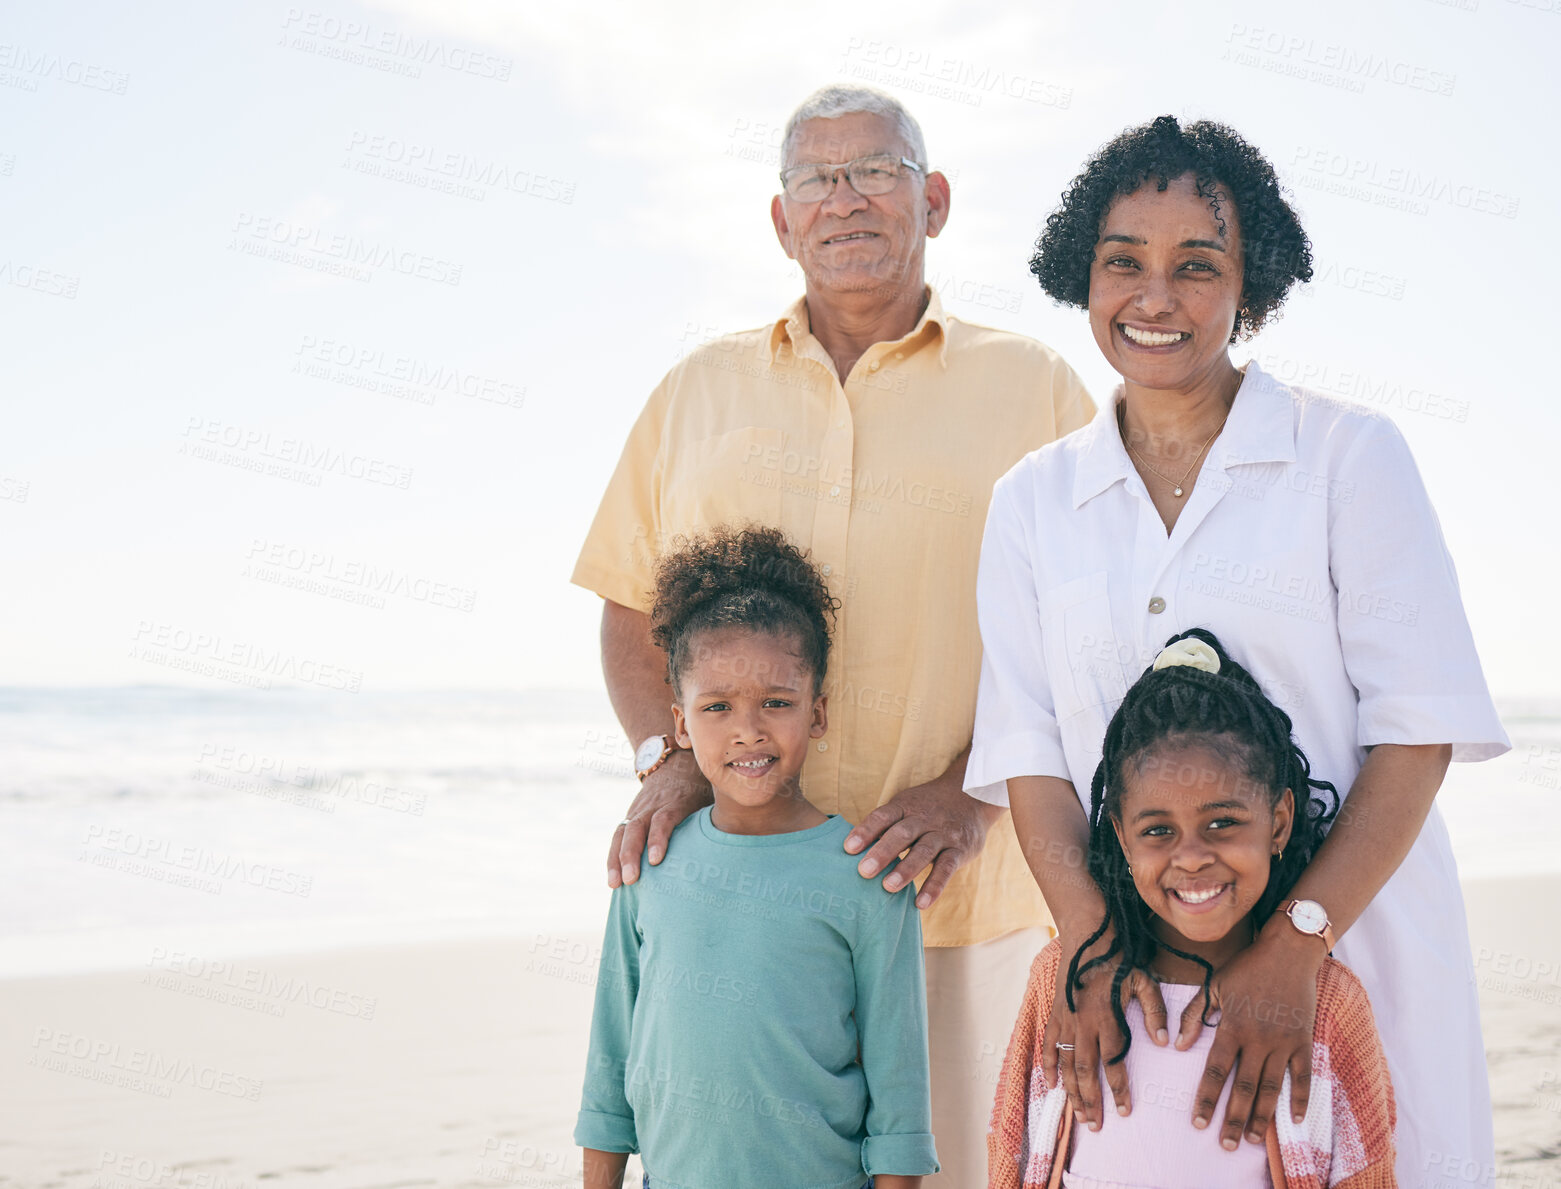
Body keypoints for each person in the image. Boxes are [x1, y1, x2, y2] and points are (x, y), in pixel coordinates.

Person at [964, 114, 1508, 1189]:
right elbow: (1031, 754)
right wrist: (1087, 943)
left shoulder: (1346, 455)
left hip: (1357, 951)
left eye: (1196, 266)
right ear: (1084, 274)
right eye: (1123, 262)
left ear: (1249, 288)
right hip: (1134, 990)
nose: (1153, 297)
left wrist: (1299, 942)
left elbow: (1417, 732)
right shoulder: (1030, 501)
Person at [571, 83, 1094, 1183]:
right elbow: (629, 604)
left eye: (876, 170)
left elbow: (1081, 629)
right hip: (745, 905)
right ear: (780, 218)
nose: (845, 199)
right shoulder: (694, 392)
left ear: (933, 199)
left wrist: (973, 789)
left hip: (966, 895)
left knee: (954, 1167)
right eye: (816, 177)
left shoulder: (1035, 386)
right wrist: (664, 760)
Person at [575, 525, 939, 1189]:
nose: (748, 728)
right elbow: (609, 1064)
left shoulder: (865, 874)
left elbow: (900, 1099)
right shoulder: (649, 863)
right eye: (717, 706)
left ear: (817, 713)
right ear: (680, 723)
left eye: (776, 701)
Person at [987, 631, 1398, 1189]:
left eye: (1222, 822)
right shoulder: (1063, 980)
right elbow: (1014, 1147)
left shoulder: (1326, 1002)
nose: (1192, 857)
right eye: (1158, 830)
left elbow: (1363, 1167)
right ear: (1122, 841)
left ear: (1278, 822)